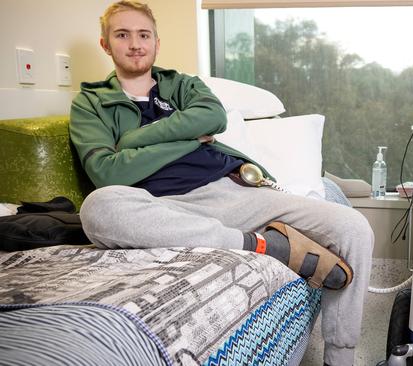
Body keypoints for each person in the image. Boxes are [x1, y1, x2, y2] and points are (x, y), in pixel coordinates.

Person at [69, 1, 373, 365]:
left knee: (354, 228)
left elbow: (212, 116)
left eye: (143, 35)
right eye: (122, 35)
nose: (135, 44)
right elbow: (108, 172)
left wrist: (134, 141)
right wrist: (186, 137)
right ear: (106, 44)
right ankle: (267, 246)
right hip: (164, 207)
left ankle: (340, 359)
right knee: (98, 208)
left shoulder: (180, 85)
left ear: (156, 42)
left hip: (233, 189)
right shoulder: (91, 103)